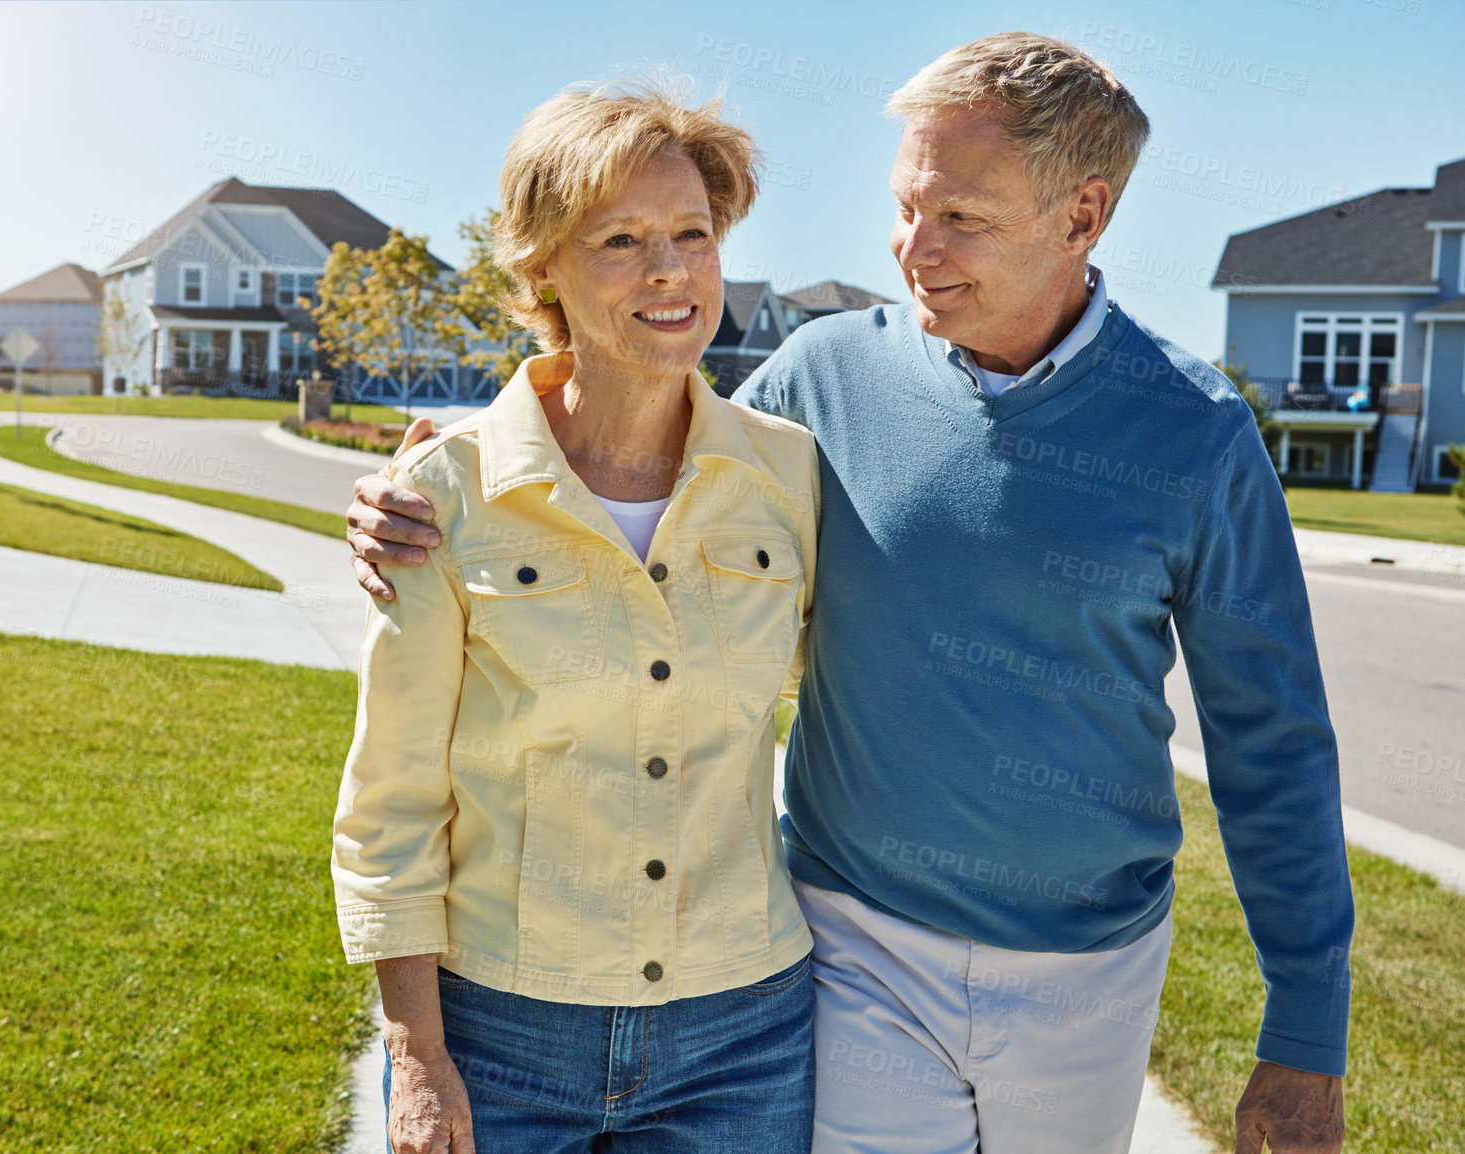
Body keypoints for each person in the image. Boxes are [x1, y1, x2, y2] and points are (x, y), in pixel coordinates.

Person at [345, 33, 1353, 1154]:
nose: (912, 249)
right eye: (905, 205)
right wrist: (444, 470)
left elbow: (1274, 743)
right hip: (850, 940)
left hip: (1088, 964)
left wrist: (1307, 1028)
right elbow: (632, 397)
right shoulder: (820, 383)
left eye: (959, 218)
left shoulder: (1198, 433)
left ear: (1081, 216)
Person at [330, 80, 823, 1154]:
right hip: (499, 1032)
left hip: (744, 1030)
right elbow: (391, 800)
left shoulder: (789, 476)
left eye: (693, 234)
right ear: (540, 263)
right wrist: (415, 1052)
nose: (669, 270)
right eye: (620, 239)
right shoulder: (445, 494)